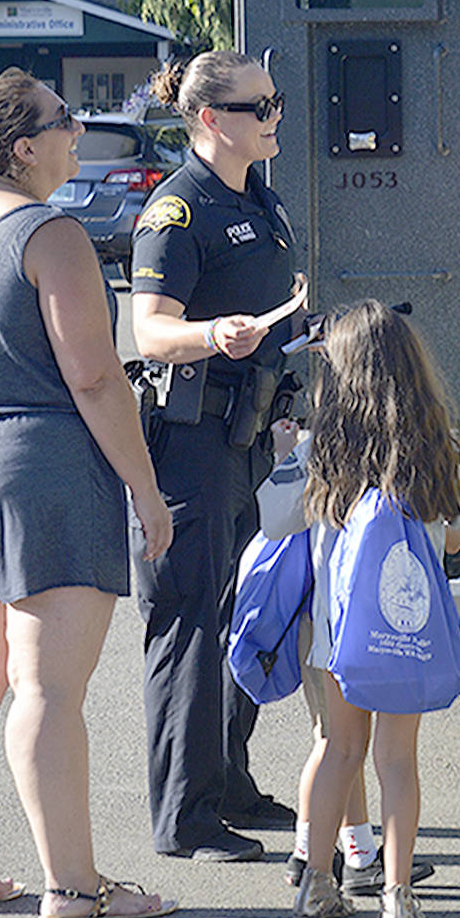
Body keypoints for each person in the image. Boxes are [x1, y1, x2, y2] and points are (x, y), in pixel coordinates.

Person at [0, 68, 177, 918]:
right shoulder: (49, 234)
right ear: (24, 147)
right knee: (47, 689)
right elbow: (97, 378)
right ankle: (75, 886)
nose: (79, 132)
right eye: (66, 122)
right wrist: (146, 491)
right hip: (40, 466)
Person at [129, 50, 307, 862]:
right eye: (257, 107)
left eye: (274, 101)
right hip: (190, 441)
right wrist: (210, 334)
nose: (274, 116)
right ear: (210, 121)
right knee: (189, 622)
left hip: (247, 435)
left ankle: (228, 779)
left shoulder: (259, 196)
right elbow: (149, 329)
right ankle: (185, 816)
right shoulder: (179, 209)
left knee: (246, 613)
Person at [272, 302, 460, 918]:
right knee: (398, 763)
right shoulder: (434, 448)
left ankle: (316, 884)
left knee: (340, 750)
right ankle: (398, 897)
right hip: (405, 633)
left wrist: (289, 454)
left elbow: (272, 521)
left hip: (338, 636)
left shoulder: (323, 451)